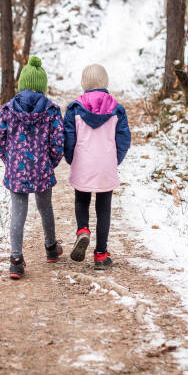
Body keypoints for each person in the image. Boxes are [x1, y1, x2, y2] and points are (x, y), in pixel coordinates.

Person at [0, 56, 65, 279]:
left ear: (22, 84)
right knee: (45, 208)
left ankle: (16, 259)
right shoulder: (51, 110)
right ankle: (51, 248)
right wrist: (50, 162)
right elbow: (58, 141)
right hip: (42, 169)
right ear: (42, 86)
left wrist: (10, 160)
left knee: (18, 212)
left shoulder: (8, 109)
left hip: (17, 170)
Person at [64, 64, 131, 270]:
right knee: (104, 209)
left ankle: (82, 230)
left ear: (84, 84)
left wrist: (71, 158)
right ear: (105, 83)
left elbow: (68, 138)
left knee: (81, 200)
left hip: (83, 162)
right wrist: (114, 160)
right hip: (105, 165)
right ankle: (101, 254)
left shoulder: (74, 109)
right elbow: (123, 139)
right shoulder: (117, 109)